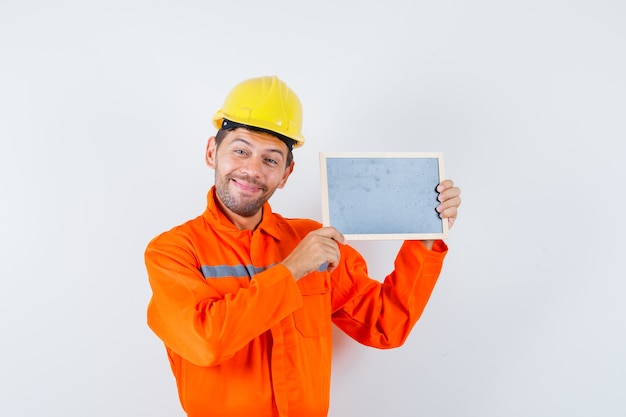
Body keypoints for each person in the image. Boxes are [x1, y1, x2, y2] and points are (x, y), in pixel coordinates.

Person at [145, 75, 462, 417]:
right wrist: (292, 269)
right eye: (240, 150)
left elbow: (387, 325)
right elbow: (206, 342)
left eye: (270, 159)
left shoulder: (312, 241)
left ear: (286, 174)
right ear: (212, 152)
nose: (252, 169)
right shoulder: (173, 251)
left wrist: (425, 240)